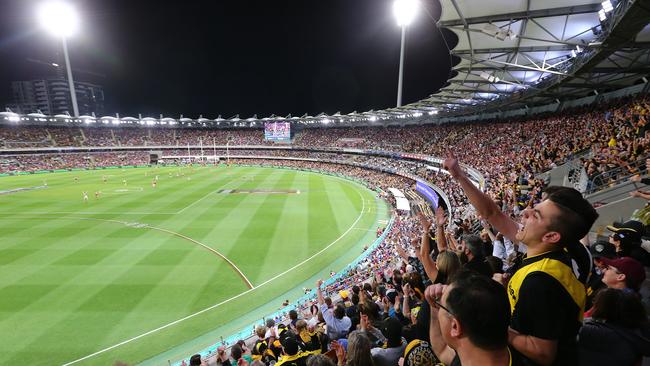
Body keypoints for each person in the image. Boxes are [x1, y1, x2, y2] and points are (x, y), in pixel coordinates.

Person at [443, 152, 598, 366]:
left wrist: (497, 329)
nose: (525, 212)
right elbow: (492, 213)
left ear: (551, 236)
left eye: (536, 215)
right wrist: (459, 176)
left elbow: (544, 352)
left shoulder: (539, 282)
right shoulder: (568, 251)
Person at [425, 270, 521, 366]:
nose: (438, 307)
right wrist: (434, 306)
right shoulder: (507, 349)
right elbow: (441, 349)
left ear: (455, 326)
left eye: (440, 305)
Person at [578, 288, 650, 366]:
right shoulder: (635, 333)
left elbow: (570, 327)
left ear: (605, 309)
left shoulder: (596, 332)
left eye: (596, 302)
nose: (594, 304)